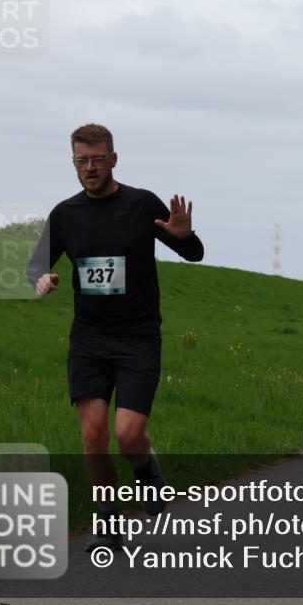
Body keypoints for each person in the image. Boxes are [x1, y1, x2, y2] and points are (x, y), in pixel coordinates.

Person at [26, 124, 204, 551]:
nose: (90, 168)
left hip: (139, 336)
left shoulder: (142, 204)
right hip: (89, 337)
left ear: (113, 159)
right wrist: (42, 280)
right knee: (92, 434)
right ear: (74, 163)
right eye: (81, 161)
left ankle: (147, 471)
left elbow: (193, 253)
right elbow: (35, 266)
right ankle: (108, 519)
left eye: (97, 159)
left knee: (127, 434)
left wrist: (184, 235)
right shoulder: (66, 214)